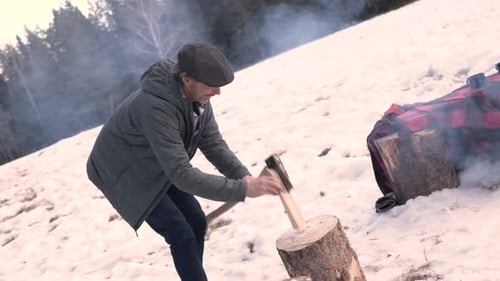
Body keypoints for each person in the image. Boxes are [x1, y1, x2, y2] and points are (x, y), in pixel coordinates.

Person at [86, 42, 283, 280]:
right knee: (180, 232)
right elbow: (181, 174)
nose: (217, 92)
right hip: (122, 171)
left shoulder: (199, 99)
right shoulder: (156, 107)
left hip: (155, 161)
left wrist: (243, 176)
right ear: (186, 78)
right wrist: (242, 189)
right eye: (212, 86)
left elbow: (212, 143)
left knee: (196, 222)